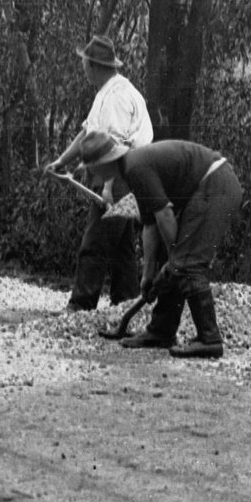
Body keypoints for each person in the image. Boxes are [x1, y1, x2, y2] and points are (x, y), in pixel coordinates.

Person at [72, 131, 242, 359]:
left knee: (186, 262)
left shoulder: (135, 168)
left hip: (216, 185)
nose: (90, 174)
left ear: (103, 163)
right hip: (208, 187)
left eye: (90, 167)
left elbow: (165, 216)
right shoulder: (130, 170)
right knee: (174, 259)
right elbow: (151, 224)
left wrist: (175, 259)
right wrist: (149, 274)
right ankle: (161, 331)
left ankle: (209, 339)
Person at [44, 34, 154, 311]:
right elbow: (87, 133)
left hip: (121, 177)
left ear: (94, 66)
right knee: (121, 246)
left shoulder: (117, 97)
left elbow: (113, 149)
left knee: (96, 240)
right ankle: (125, 304)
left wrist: (108, 185)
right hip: (123, 176)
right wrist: (62, 161)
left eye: (84, 65)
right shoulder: (108, 92)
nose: (83, 70)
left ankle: (81, 304)